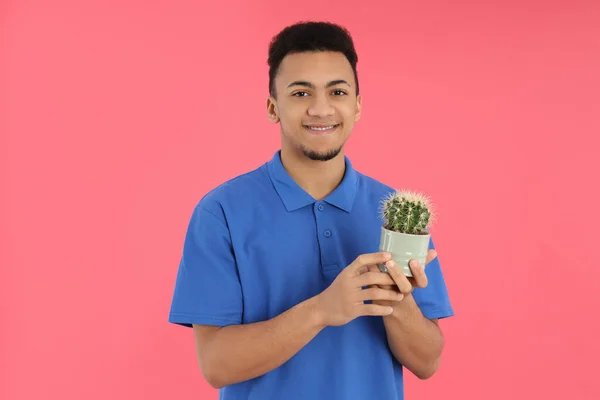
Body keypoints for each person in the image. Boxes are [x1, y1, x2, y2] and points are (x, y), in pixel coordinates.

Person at [168, 20, 454, 400]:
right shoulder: (221, 212)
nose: (321, 109)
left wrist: (398, 303)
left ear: (357, 105)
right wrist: (322, 310)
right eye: (301, 93)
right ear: (273, 107)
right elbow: (217, 365)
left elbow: (427, 362)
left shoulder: (398, 212)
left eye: (337, 91)